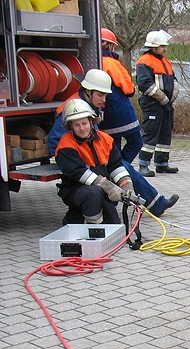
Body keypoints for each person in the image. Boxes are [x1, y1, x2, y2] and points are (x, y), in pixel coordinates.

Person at [47, 69, 179, 220]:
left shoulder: (87, 104)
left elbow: (95, 141)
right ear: (89, 92)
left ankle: (149, 202)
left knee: (121, 169)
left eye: (105, 95)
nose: (104, 100)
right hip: (76, 164)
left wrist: (124, 183)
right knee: (118, 173)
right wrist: (72, 161)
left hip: (91, 161)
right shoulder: (74, 109)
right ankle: (155, 204)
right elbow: (55, 142)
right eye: (101, 95)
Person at [55, 98, 133, 224]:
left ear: (91, 121)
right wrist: (107, 186)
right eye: (76, 125)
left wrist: (126, 185)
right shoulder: (66, 145)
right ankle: (94, 227)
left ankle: (75, 219)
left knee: (114, 224)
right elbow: (78, 173)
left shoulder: (105, 139)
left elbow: (115, 165)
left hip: (100, 190)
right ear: (70, 126)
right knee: (93, 194)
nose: (82, 128)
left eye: (84, 123)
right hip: (75, 190)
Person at [136, 30, 178, 177]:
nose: (165, 49)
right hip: (152, 103)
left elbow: (174, 81)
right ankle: (143, 165)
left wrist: (171, 98)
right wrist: (163, 98)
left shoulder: (166, 61)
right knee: (150, 133)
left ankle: (162, 163)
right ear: (154, 47)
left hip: (165, 104)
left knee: (165, 133)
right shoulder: (144, 61)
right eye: (162, 46)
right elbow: (145, 84)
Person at [99, 27, 142, 163]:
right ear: (111, 45)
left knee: (113, 149)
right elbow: (129, 89)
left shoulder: (94, 61)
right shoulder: (112, 63)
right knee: (136, 142)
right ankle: (121, 169)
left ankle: (116, 171)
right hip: (120, 112)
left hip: (104, 115)